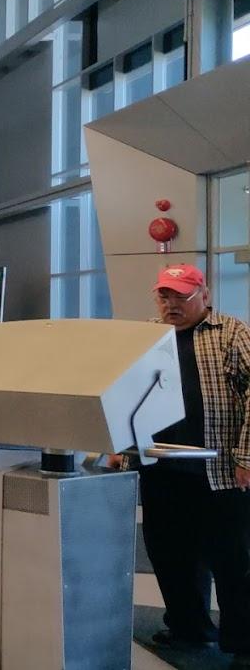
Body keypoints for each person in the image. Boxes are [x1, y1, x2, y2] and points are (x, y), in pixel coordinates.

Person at [134, 264, 250, 665]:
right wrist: (118, 445)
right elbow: (124, 393)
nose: (171, 304)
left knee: (234, 563)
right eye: (164, 296)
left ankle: (244, 644)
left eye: (181, 296)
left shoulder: (231, 333)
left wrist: (247, 456)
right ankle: (189, 629)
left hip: (221, 472)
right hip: (163, 470)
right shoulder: (146, 337)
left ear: (205, 295)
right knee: (170, 557)